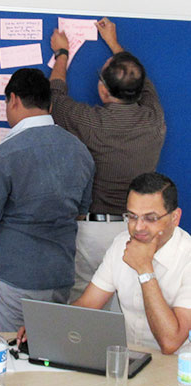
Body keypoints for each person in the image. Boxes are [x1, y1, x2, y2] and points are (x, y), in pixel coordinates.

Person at [0, 68, 95, 332]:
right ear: (48, 102)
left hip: (13, 280)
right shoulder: (80, 151)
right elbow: (80, 213)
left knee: (10, 360)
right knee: (49, 356)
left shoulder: (3, 154)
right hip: (60, 277)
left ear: (13, 99)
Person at [49, 17, 166, 303]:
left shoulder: (91, 123)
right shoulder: (155, 120)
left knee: (85, 308)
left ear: (103, 90)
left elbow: (55, 96)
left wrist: (61, 54)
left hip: (93, 232)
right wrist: (114, 43)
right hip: (138, 231)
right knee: (128, 310)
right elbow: (142, 80)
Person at [73, 172, 191, 353]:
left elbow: (171, 342)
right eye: (132, 216)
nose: (138, 227)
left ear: (175, 218)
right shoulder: (121, 243)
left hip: (178, 369)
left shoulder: (187, 256)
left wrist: (145, 271)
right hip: (131, 359)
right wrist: (44, 327)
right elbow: (88, 305)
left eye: (150, 218)